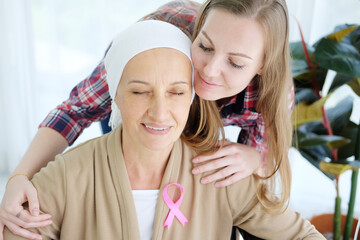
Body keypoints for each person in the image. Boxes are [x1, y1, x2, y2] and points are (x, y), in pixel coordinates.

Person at [3, 20, 323, 240]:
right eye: (139, 91)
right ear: (114, 94)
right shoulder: (65, 178)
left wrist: (254, 158)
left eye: (176, 92)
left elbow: (296, 229)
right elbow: (75, 111)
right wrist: (20, 176)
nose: (211, 70)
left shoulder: (227, 175)